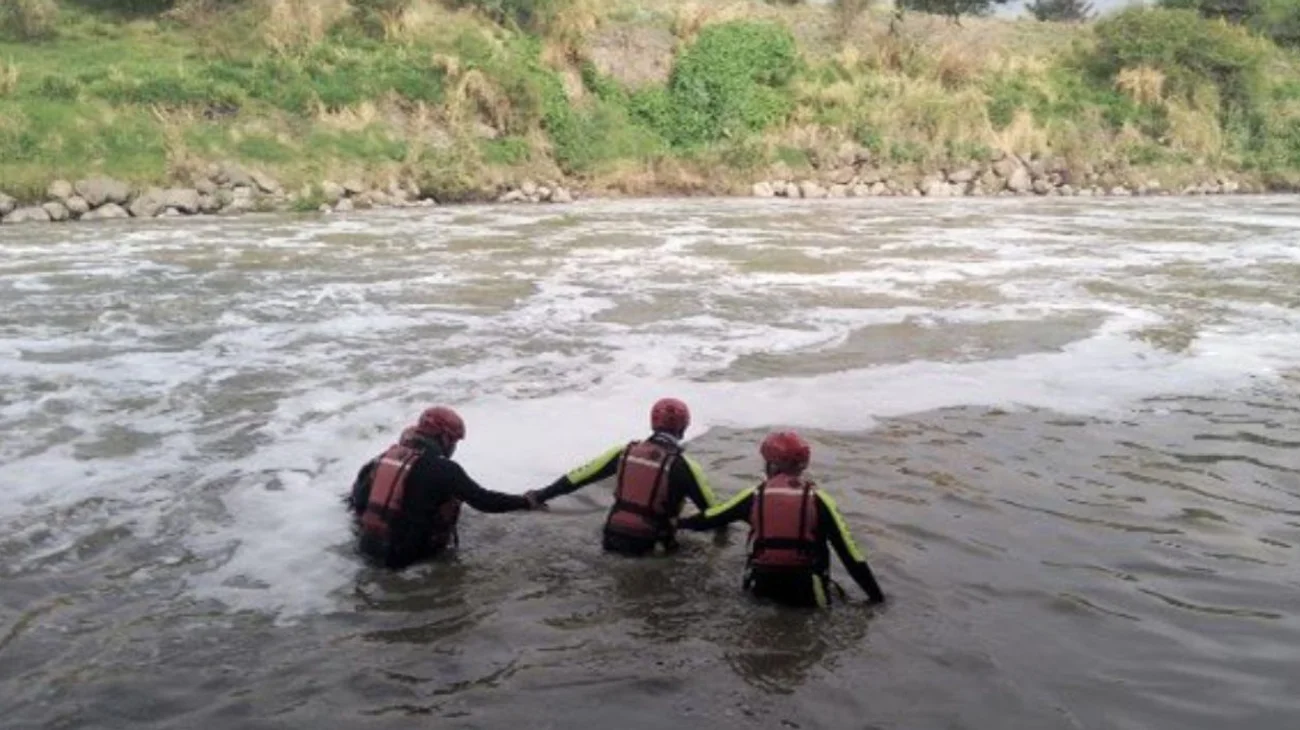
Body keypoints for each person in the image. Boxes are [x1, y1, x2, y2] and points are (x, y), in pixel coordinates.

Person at [676, 430, 885, 607]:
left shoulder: (754, 495)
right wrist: (877, 599)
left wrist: (677, 524)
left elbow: (711, 518)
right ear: (802, 466)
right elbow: (851, 556)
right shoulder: (820, 500)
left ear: (772, 465)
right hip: (808, 593)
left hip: (761, 588)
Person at [347, 405, 545, 570]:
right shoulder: (445, 470)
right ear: (444, 439)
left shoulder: (381, 460)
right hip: (414, 564)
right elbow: (485, 501)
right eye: (455, 441)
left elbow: (357, 500)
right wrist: (525, 501)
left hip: (367, 555)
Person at [531, 397, 720, 556]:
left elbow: (577, 478)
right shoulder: (685, 466)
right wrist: (683, 525)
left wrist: (539, 496)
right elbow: (714, 514)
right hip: (652, 545)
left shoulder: (624, 452)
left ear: (653, 423)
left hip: (612, 536)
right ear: (684, 426)